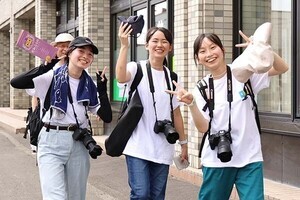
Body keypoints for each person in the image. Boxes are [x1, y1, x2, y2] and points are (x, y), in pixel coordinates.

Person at [167, 31, 288, 200]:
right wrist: (192, 104)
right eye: (202, 51)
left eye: (212, 47)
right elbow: (203, 128)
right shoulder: (201, 88)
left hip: (249, 157)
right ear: (198, 58)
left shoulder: (243, 74)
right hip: (217, 160)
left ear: (222, 49)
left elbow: (282, 68)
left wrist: (262, 47)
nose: (209, 54)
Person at [10, 36, 112, 200]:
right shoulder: (51, 76)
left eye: (90, 54)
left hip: (79, 143)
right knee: (55, 197)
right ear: (70, 53)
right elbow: (16, 82)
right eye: (81, 51)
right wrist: (47, 65)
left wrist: (102, 89)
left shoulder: (88, 84)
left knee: (76, 197)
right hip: (51, 141)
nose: (86, 56)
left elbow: (106, 116)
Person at [116, 23, 188, 200]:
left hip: (163, 148)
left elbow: (176, 114)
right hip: (137, 146)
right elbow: (120, 76)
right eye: (154, 40)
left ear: (170, 47)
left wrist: (184, 144)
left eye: (164, 42)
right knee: (141, 194)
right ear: (147, 45)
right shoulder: (136, 68)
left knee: (157, 196)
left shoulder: (172, 78)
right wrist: (124, 46)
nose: (159, 45)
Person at [29, 33, 74, 153]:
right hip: (48, 127)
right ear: (55, 48)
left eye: (69, 46)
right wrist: (36, 115)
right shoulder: (48, 68)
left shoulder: (77, 69)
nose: (65, 49)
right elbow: (35, 95)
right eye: (61, 46)